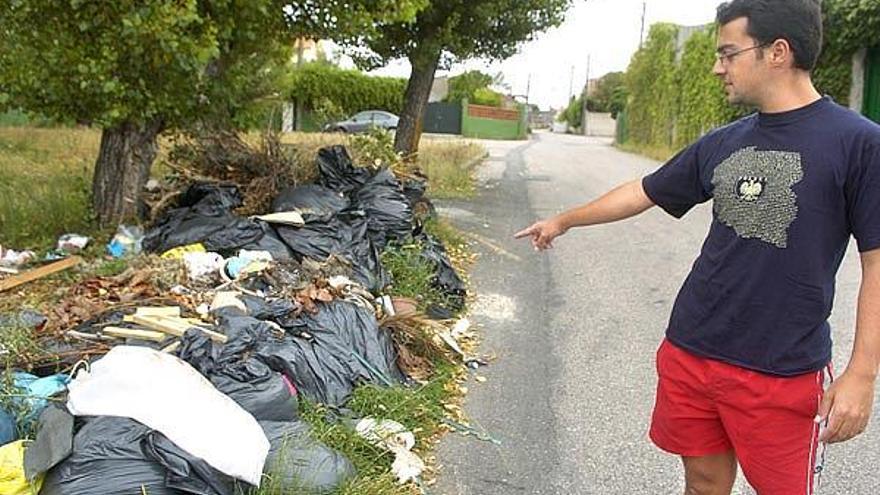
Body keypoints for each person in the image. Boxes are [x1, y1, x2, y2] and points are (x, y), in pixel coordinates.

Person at [515, 1, 880, 493]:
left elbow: (877, 265)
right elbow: (644, 190)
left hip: (782, 372)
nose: (717, 67)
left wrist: (861, 373)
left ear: (777, 52)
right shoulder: (725, 141)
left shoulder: (858, 143)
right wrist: (564, 220)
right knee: (704, 481)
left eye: (728, 53)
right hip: (693, 349)